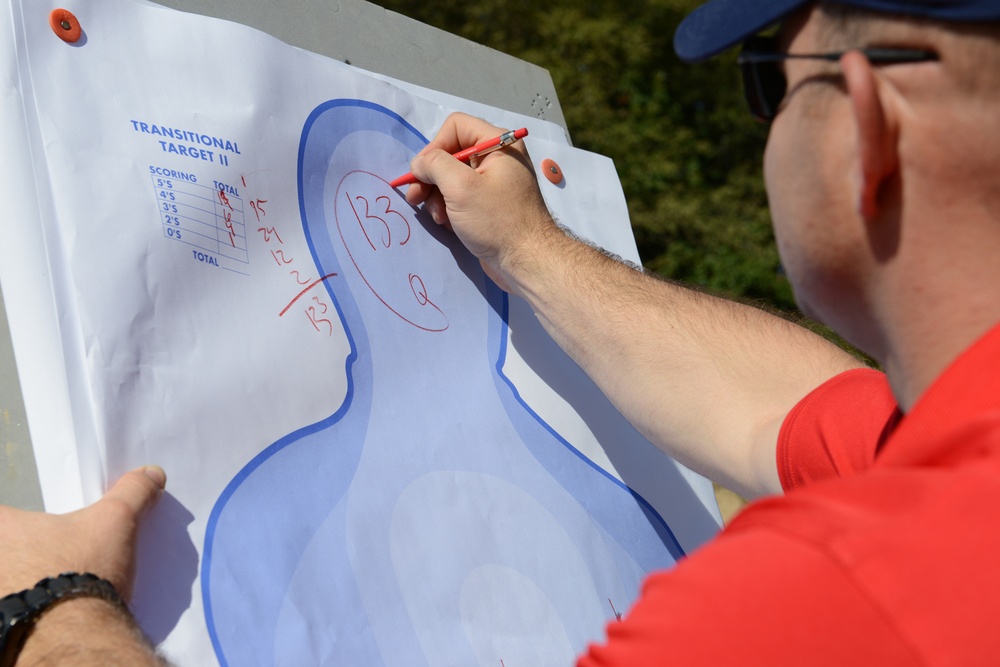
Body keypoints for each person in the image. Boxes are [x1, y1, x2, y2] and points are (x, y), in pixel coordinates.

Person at [4, 0, 1000, 663]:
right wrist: (530, 248)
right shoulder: (950, 472)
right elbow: (788, 411)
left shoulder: (812, 601)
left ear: (863, 122)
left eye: (767, 82)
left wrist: (57, 608)